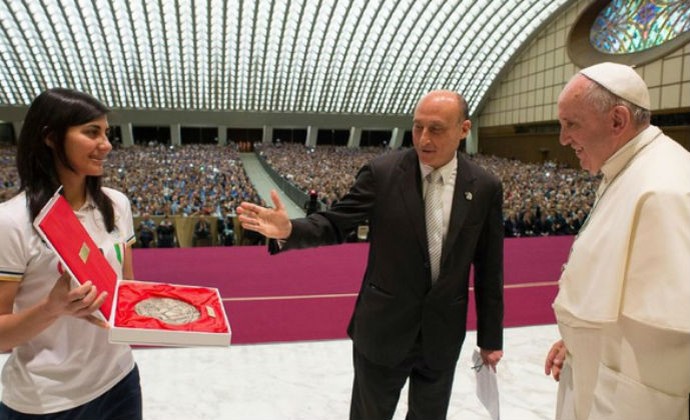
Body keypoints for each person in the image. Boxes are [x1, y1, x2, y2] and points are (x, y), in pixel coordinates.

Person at [238, 90, 504, 419]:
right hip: (383, 332)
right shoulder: (382, 173)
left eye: (436, 129)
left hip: (442, 336)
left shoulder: (485, 187)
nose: (423, 139)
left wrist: (490, 337)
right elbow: (334, 223)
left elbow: (490, 267)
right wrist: (289, 230)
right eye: (417, 127)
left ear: (464, 129)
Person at [544, 62, 690, 419]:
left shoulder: (664, 188)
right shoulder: (625, 168)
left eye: (571, 124)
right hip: (594, 370)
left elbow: (663, 345)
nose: (563, 140)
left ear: (617, 121)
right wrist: (576, 340)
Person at [0, 88, 142, 419]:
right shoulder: (10, 221)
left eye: (106, 133)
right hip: (45, 400)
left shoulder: (116, 204)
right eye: (91, 132)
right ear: (50, 137)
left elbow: (128, 289)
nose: (106, 145)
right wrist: (53, 308)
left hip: (119, 382)